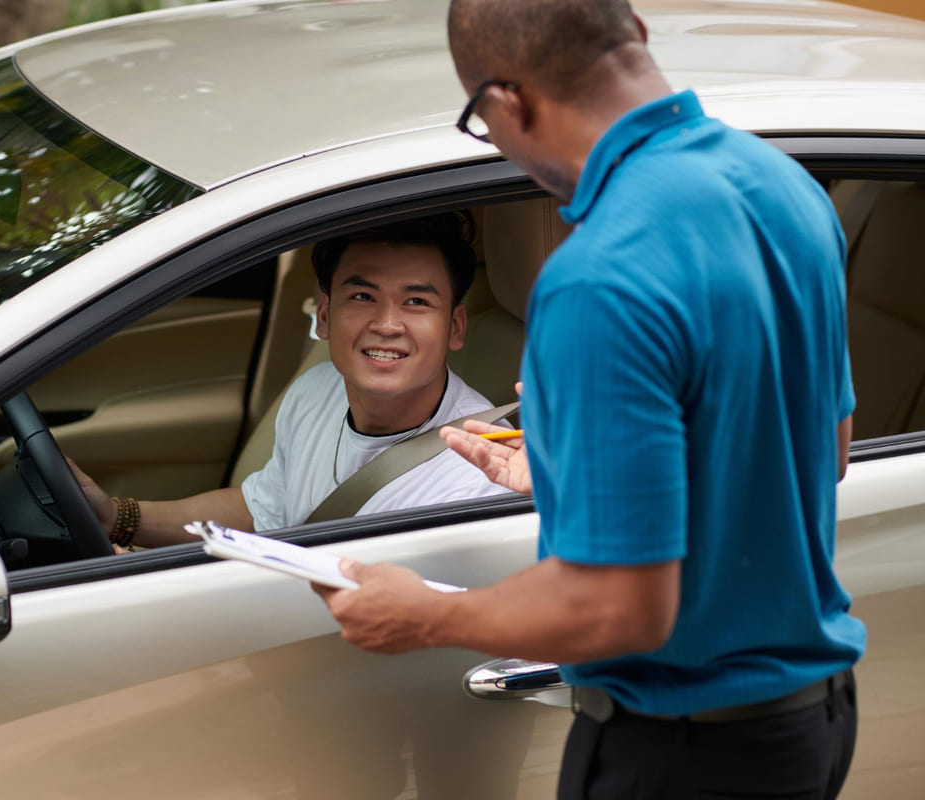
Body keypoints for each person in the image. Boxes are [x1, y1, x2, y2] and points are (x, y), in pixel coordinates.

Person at [315, 1, 864, 798]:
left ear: (506, 103)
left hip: (685, 754)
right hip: (811, 724)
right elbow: (820, 457)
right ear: (634, 32)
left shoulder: (596, 279)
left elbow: (622, 612)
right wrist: (586, 487)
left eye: (481, 120)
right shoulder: (786, 187)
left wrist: (424, 616)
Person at [72, 211, 510, 549]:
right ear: (324, 316)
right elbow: (262, 510)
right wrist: (116, 518)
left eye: (416, 301)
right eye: (362, 296)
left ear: (455, 327)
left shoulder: (480, 470)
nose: (387, 323)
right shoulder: (314, 391)